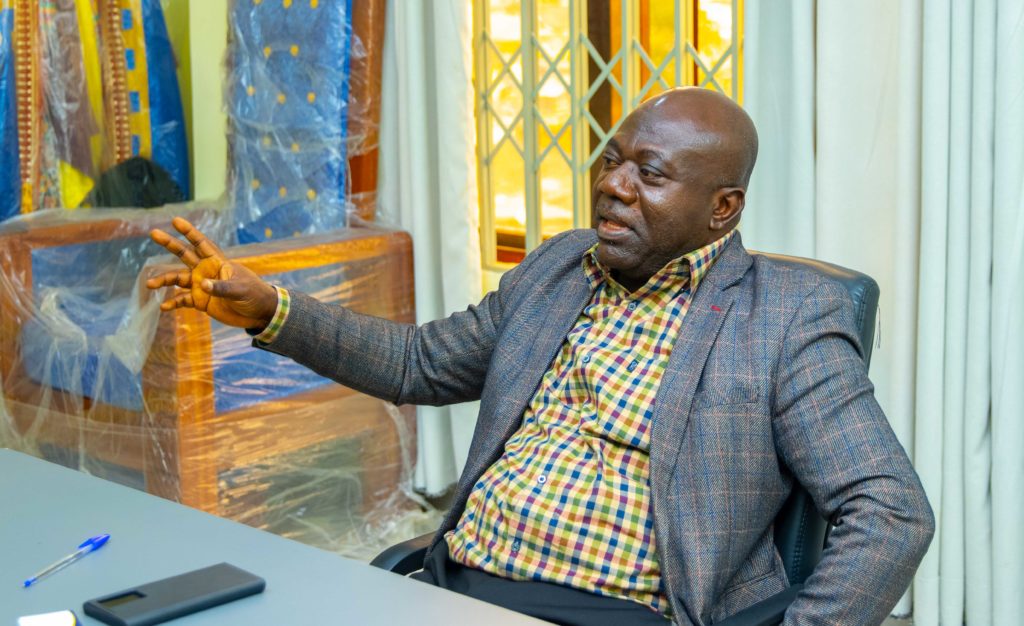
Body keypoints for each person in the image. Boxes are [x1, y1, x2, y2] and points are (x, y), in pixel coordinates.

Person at [146, 87, 934, 626]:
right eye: (612, 159)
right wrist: (272, 310)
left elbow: (891, 512)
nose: (613, 185)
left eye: (650, 174)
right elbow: (418, 362)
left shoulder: (787, 315)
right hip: (454, 585)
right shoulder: (561, 267)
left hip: (610, 610)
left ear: (721, 209)